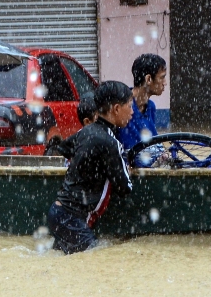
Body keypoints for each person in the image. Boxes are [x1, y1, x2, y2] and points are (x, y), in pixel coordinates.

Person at [46, 81, 134, 254]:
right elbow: (125, 188)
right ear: (116, 109)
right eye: (130, 106)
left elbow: (64, 149)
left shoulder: (86, 131)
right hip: (72, 217)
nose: (132, 112)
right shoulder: (111, 143)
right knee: (99, 257)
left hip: (59, 213)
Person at [118, 53, 167, 150]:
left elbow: (153, 142)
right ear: (148, 79)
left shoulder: (151, 107)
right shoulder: (122, 107)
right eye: (162, 77)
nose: (165, 83)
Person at [44, 91, 96, 158]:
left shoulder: (77, 139)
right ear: (87, 122)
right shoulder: (84, 140)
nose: (101, 122)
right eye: (98, 120)